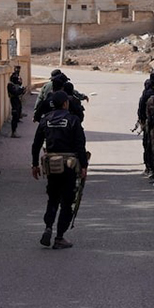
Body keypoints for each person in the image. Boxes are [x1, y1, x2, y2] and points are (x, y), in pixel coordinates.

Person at [31, 91, 89, 250]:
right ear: (65, 104)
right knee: (67, 201)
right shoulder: (73, 120)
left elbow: (36, 145)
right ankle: (59, 237)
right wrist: (84, 166)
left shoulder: (45, 120)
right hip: (69, 166)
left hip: (52, 166)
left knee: (53, 198)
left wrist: (35, 165)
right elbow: (80, 145)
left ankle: (48, 227)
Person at [137, 72, 154, 178]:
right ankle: (152, 168)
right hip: (151, 123)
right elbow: (143, 109)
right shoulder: (151, 94)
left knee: (150, 146)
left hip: (150, 123)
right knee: (150, 146)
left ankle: (151, 168)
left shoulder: (148, 92)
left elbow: (141, 109)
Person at [7, 66, 26, 138]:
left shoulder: (15, 85)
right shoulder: (10, 85)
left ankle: (14, 131)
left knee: (17, 115)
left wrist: (22, 91)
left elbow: (19, 92)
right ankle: (13, 132)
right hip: (14, 101)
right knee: (14, 116)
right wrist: (20, 90)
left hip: (17, 100)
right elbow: (15, 93)